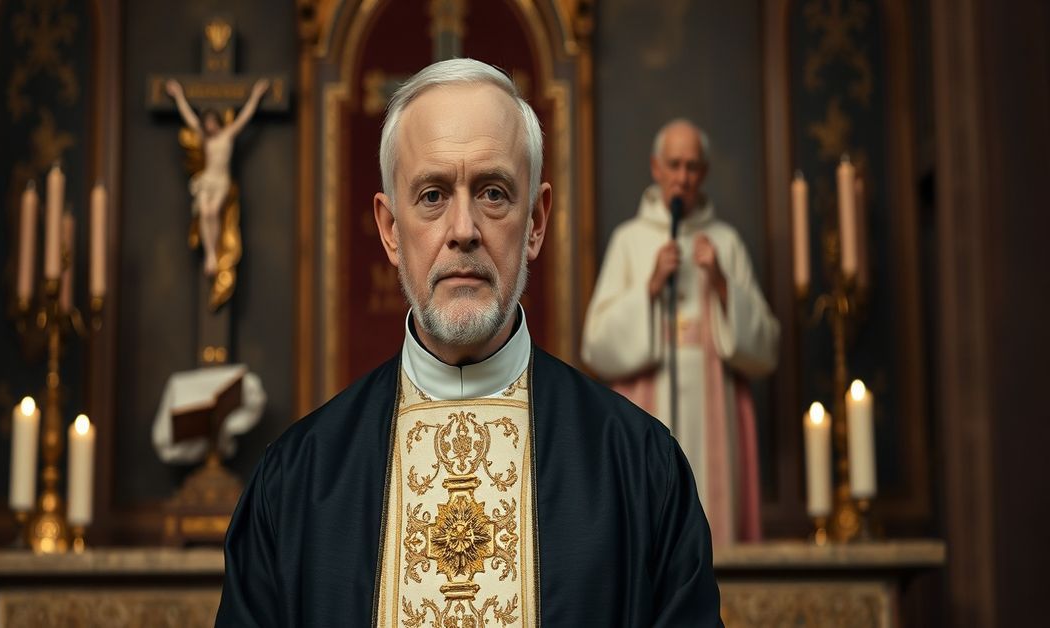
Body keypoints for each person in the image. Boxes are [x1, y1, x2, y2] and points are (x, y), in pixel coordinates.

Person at [216, 60, 720, 627]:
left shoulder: (639, 468)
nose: (463, 229)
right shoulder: (297, 482)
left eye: (493, 193)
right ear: (389, 230)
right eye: (432, 194)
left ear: (535, 222)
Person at [581, 119, 779, 548]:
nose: (683, 177)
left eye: (692, 167)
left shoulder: (724, 243)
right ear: (656, 168)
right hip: (646, 411)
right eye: (674, 165)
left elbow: (766, 349)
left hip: (715, 426)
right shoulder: (630, 241)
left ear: (703, 174)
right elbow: (595, 345)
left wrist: (723, 284)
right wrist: (648, 288)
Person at [164, 77, 270, 276]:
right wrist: (179, 95)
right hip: (207, 180)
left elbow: (245, 117)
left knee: (212, 211)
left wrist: (255, 95)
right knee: (204, 212)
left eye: (212, 122)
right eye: (207, 123)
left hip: (221, 181)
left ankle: (214, 251)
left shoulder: (227, 135)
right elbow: (189, 118)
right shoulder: (206, 138)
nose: (210, 126)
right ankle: (210, 254)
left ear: (218, 122)